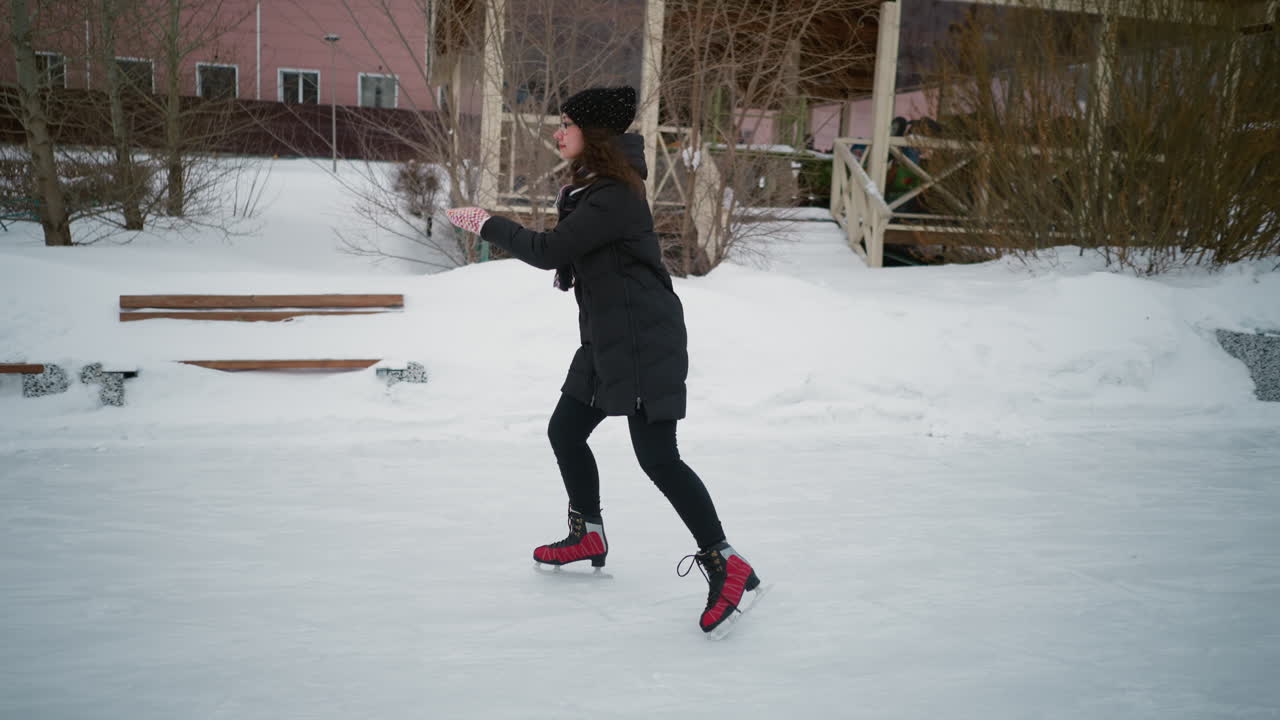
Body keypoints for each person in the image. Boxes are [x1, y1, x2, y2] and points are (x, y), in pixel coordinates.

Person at [445, 86, 761, 634]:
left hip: (642, 343)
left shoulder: (613, 194)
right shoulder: (593, 190)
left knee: (658, 458)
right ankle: (587, 530)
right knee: (566, 430)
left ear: (591, 134)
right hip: (607, 342)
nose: (556, 131)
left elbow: (550, 251)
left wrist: (486, 222)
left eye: (564, 123)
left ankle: (724, 560)